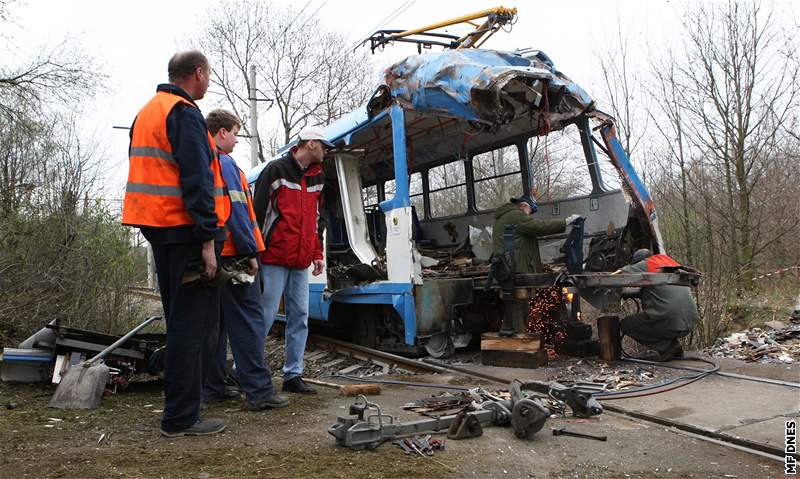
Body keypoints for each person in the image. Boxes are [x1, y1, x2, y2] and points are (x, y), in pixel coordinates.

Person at [122, 51, 229, 437]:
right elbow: (197, 180)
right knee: (192, 326)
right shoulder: (183, 112)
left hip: (158, 229)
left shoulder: (147, 112)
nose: (209, 83)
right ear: (197, 74)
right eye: (209, 76)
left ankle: (179, 410)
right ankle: (181, 417)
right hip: (184, 231)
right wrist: (205, 240)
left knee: (178, 320)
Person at [201, 109, 289, 410]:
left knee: (217, 324)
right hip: (234, 254)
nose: (238, 140)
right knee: (248, 322)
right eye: (236, 133)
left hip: (214, 253)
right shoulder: (225, 163)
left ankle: (212, 387)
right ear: (222, 132)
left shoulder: (203, 161)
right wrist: (251, 252)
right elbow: (238, 212)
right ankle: (259, 392)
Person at [253, 128, 333, 395]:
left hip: (300, 260)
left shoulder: (318, 176)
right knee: (264, 316)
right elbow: (260, 213)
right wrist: (255, 252)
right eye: (324, 146)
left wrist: (317, 253)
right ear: (310, 144)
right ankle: (248, 370)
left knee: (300, 316)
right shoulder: (275, 171)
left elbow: (317, 220)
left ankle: (293, 375)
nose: (326, 150)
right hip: (274, 256)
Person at [617, 249, 699, 361]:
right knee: (652, 319)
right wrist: (627, 294)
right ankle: (672, 347)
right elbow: (658, 292)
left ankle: (668, 347)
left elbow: (621, 273)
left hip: (670, 322)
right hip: (689, 322)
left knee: (626, 325)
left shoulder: (647, 263)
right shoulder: (669, 265)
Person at [491, 195, 582, 273]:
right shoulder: (516, 215)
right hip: (515, 268)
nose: (528, 216)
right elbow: (539, 226)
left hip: (507, 266)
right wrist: (565, 222)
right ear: (524, 205)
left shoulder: (503, 217)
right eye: (530, 212)